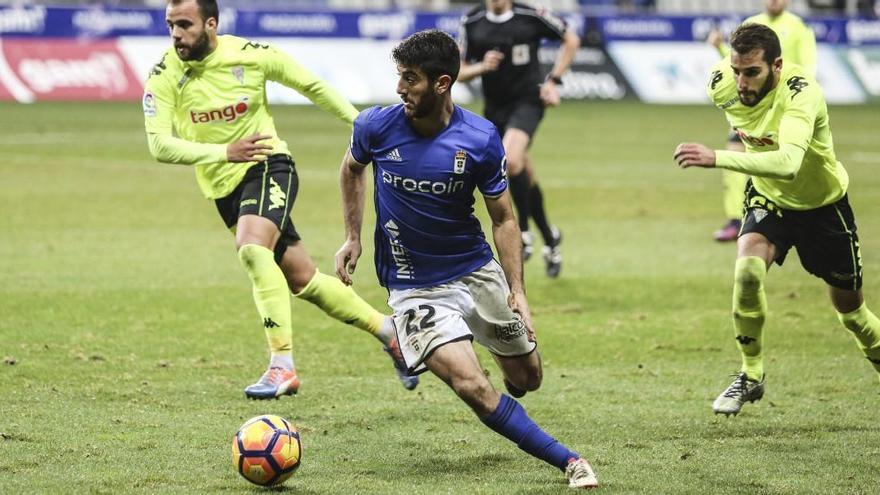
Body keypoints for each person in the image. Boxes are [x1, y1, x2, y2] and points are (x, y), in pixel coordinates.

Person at [334, 29, 598, 488]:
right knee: (472, 386)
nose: (400, 89)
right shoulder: (375, 126)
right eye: (399, 77)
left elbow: (504, 219)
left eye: (410, 79)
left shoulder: (479, 137)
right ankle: (569, 460)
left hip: (475, 273)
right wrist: (352, 236)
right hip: (414, 286)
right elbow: (351, 168)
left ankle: (490, 347)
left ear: (442, 83)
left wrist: (518, 291)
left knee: (527, 379)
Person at [142, 0, 418, 400]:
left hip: (269, 165)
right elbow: (158, 145)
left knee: (252, 249)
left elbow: (311, 85)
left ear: (211, 24)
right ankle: (387, 330)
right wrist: (223, 153)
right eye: (170, 25)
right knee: (302, 279)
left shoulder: (250, 56)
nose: (176, 34)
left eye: (184, 24)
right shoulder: (164, 75)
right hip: (224, 188)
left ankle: (281, 365)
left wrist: (362, 125)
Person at [674, 23, 880, 416]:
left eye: (751, 73)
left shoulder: (802, 94)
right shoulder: (721, 84)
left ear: (777, 66)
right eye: (737, 70)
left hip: (824, 206)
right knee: (747, 273)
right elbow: (747, 127)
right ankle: (751, 374)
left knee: (853, 315)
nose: (741, 82)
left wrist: (715, 157)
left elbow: (787, 163)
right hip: (769, 198)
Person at [458, 0, 580, 277]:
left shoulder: (531, 14)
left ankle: (523, 231)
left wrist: (554, 81)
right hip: (494, 108)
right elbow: (460, 71)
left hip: (528, 101)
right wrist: (482, 67)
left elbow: (571, 39)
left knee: (510, 161)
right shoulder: (472, 22)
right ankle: (550, 237)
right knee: (522, 167)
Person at [706, 0, 816, 242]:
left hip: (782, 108)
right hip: (751, 107)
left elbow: (807, 70)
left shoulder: (799, 27)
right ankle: (736, 219)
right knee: (734, 153)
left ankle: (796, 217)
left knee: (787, 163)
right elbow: (740, 66)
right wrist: (720, 48)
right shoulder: (751, 24)